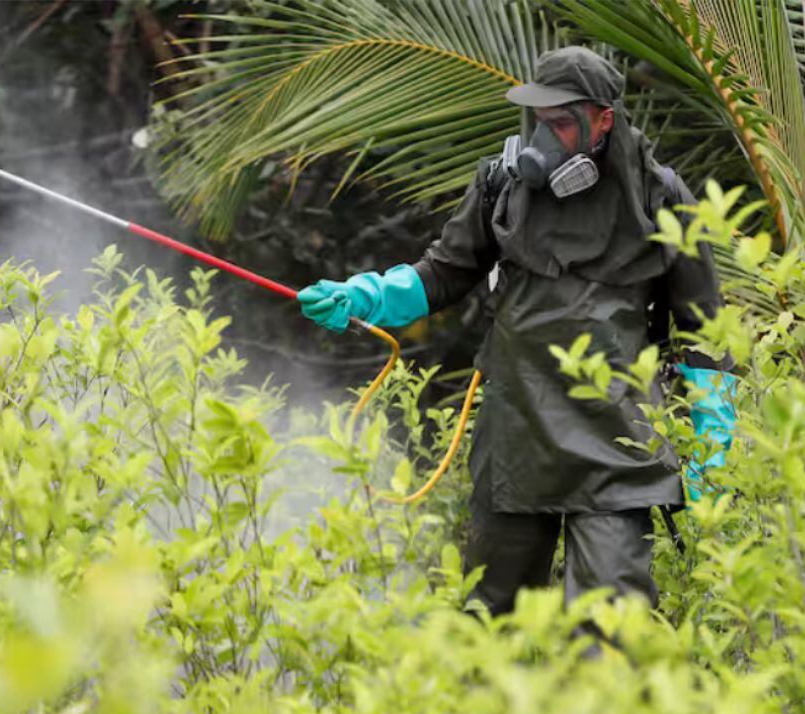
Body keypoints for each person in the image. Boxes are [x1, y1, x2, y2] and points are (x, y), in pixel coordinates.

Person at [296, 46, 736, 617]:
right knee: (489, 621)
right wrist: (367, 297)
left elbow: (704, 331)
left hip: (619, 445)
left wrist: (713, 455)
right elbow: (444, 273)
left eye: (561, 123)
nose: (545, 138)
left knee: (613, 625)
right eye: (538, 120)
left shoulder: (662, 197)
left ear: (603, 119)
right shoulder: (501, 184)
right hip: (517, 436)